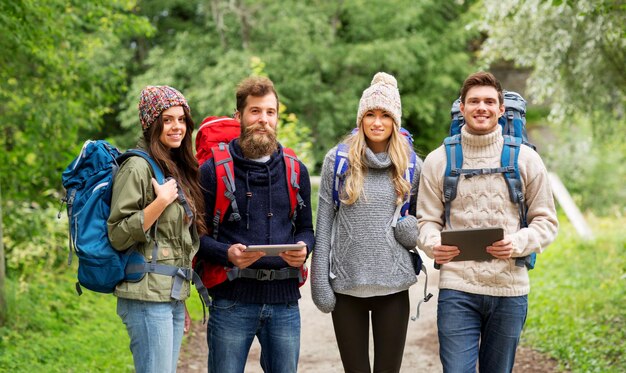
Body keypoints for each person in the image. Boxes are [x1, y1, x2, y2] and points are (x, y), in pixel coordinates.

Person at [416, 71, 559, 373]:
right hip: (457, 289)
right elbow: (426, 220)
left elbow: (546, 221)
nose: (482, 107)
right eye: (474, 101)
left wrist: (517, 243)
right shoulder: (438, 160)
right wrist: (433, 244)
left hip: (509, 291)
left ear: (501, 109)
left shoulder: (526, 159)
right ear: (463, 108)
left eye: (489, 101)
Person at [197, 76, 315, 373]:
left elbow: (306, 229)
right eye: (255, 111)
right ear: (239, 116)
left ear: (276, 117)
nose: (263, 119)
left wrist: (304, 248)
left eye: (270, 112)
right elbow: (195, 237)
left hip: (285, 301)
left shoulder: (295, 169)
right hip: (232, 300)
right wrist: (227, 254)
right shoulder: (212, 170)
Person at [311, 72, 422, 373]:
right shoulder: (338, 161)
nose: (377, 122)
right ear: (360, 119)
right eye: (370, 114)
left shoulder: (412, 165)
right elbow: (323, 227)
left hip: (394, 290)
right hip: (347, 290)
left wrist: (412, 232)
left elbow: (421, 226)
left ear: (395, 121)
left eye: (385, 115)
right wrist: (320, 282)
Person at [107, 85, 207, 373]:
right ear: (152, 124)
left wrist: (180, 298)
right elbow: (117, 233)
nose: (177, 127)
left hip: (169, 296)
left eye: (181, 120)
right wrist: (160, 202)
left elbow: (174, 243)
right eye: (167, 120)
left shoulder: (173, 166)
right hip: (146, 300)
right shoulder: (137, 168)